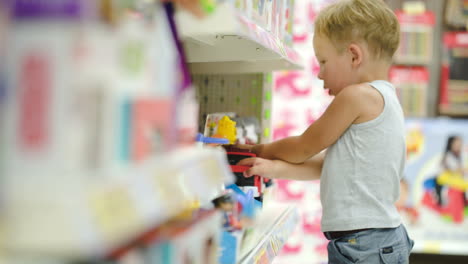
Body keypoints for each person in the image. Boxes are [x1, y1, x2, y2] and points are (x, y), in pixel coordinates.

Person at [237, 0, 414, 263]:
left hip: (363, 246)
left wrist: (261, 148)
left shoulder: (356, 96)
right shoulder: (387, 100)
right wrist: (274, 169)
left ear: (354, 56)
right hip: (380, 241)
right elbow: (332, 165)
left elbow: (303, 147)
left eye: (323, 61)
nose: (320, 74)